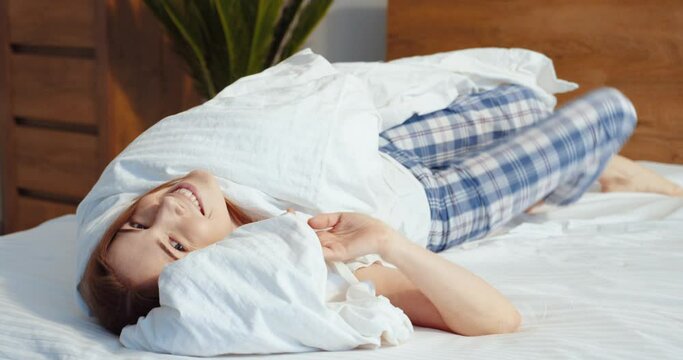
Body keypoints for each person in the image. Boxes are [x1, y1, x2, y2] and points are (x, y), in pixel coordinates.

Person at [79, 84, 683, 337]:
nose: (165, 212)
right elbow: (500, 322)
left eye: (138, 222)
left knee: (527, 97)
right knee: (609, 109)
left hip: (384, 149)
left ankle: (578, 170)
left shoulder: (210, 179)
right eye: (176, 245)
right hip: (444, 203)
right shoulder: (314, 267)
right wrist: (391, 243)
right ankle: (599, 171)